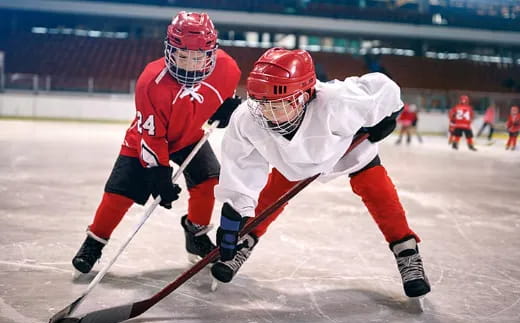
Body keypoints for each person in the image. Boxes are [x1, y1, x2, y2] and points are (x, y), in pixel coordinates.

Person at [210, 48, 431, 299]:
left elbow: (385, 88)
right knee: (270, 195)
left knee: (377, 190)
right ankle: (244, 241)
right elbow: (241, 168)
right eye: (262, 104)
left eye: (278, 105)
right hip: (294, 162)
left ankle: (406, 250)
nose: (268, 114)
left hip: (345, 150)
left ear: (304, 96)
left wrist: (390, 114)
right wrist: (233, 218)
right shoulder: (247, 118)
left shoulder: (338, 101)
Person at [71, 11, 241, 274]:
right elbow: (151, 135)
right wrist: (159, 172)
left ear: (211, 53)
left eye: (197, 57)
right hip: (145, 140)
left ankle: (195, 235)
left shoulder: (228, 69)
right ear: (170, 50)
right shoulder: (151, 81)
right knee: (119, 194)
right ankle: (95, 241)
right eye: (182, 56)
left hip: (189, 137)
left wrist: (225, 109)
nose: (189, 65)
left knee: (209, 181)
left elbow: (222, 99)